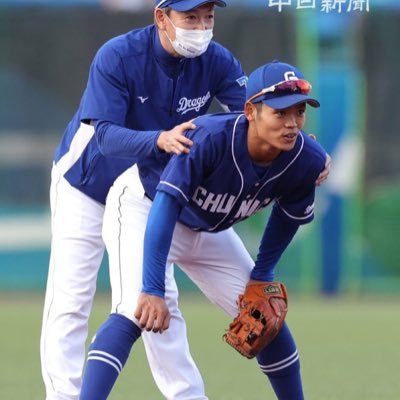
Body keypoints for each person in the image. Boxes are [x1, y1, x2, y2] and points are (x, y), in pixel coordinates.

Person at [80, 60, 328, 400]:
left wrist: (262, 274)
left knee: (264, 316)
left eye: (299, 112)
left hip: (207, 227)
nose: (291, 123)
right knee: (134, 310)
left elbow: (286, 218)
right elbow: (165, 207)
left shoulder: (306, 158)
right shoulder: (210, 139)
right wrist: (152, 288)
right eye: (280, 113)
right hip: (146, 207)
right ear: (250, 111)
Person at [40, 1, 251, 399]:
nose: (202, 27)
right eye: (190, 17)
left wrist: (297, 152)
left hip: (145, 193)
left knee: (154, 299)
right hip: (86, 184)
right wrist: (159, 139)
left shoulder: (217, 60)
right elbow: (104, 136)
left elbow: (251, 121)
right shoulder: (118, 55)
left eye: (209, 17)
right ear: (161, 17)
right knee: (72, 300)